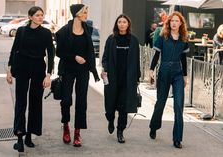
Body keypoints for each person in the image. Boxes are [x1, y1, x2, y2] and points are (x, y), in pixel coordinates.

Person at [6, 6, 55, 152]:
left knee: (35, 102)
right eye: (38, 15)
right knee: (21, 102)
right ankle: (20, 137)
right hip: (21, 68)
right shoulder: (21, 31)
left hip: (38, 70)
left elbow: (51, 54)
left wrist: (48, 75)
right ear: (30, 17)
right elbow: (14, 50)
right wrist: (9, 70)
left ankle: (29, 136)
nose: (41, 17)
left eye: (42, 15)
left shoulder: (46, 33)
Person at [55, 4, 99, 147]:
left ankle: (77, 132)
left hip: (83, 70)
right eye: (84, 12)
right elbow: (59, 52)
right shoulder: (63, 31)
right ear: (76, 14)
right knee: (66, 99)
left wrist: (93, 70)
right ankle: (66, 126)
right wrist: (74, 57)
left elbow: (90, 52)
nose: (86, 14)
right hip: (68, 69)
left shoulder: (88, 30)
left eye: (86, 11)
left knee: (81, 101)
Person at [148, 11, 189, 149]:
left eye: (177, 21)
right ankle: (154, 126)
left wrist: (185, 76)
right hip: (164, 71)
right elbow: (156, 55)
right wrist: (151, 69)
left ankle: (177, 138)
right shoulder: (162, 36)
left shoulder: (184, 38)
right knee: (160, 103)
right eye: (172, 21)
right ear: (169, 23)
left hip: (178, 73)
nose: (174, 23)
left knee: (178, 106)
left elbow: (183, 59)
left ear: (181, 23)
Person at [101, 14, 141, 143]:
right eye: (120, 22)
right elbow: (105, 57)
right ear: (116, 24)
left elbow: (136, 60)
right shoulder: (111, 39)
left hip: (127, 80)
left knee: (123, 107)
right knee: (110, 105)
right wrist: (105, 69)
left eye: (124, 22)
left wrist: (137, 77)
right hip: (112, 78)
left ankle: (120, 131)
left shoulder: (133, 40)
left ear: (128, 24)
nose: (122, 24)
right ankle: (110, 119)